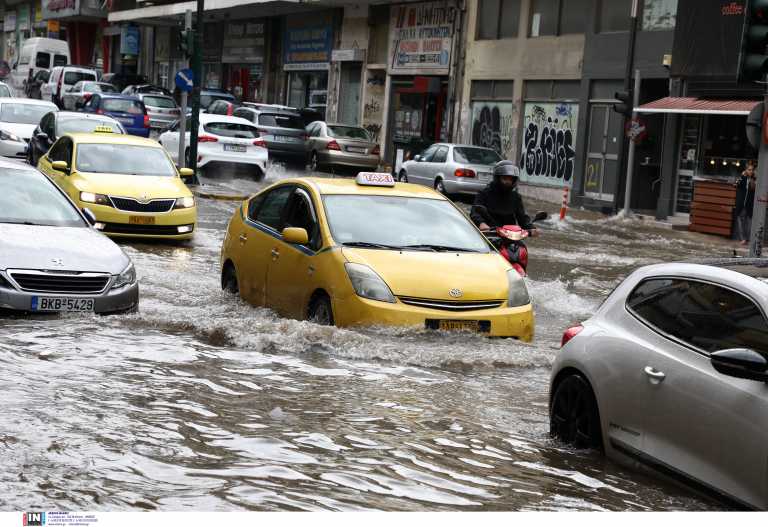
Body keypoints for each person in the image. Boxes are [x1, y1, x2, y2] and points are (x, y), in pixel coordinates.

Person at [470, 160, 539, 236]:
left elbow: (522, 217)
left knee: (521, 247)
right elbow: (475, 212)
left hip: (510, 235)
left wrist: (531, 228)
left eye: (510, 179)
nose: (508, 182)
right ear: (497, 178)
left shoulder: (515, 197)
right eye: (505, 178)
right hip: (489, 233)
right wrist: (481, 223)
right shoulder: (484, 193)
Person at [735, 160, 757, 245]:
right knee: (740, 219)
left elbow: (755, 189)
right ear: (746, 170)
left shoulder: (754, 180)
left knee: (749, 222)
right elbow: (737, 184)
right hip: (741, 204)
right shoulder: (743, 178)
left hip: (749, 205)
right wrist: (742, 176)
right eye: (749, 169)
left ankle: (747, 239)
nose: (750, 171)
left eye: (752, 170)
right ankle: (743, 239)